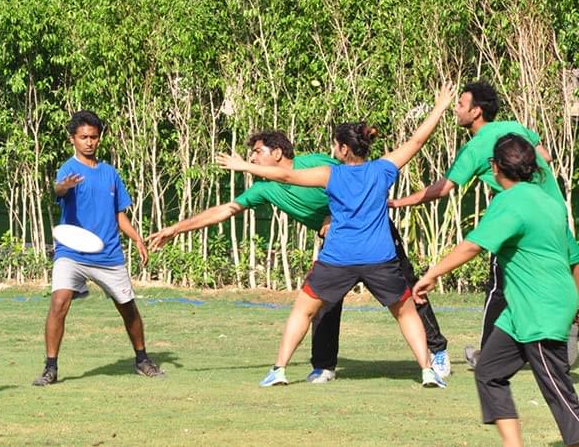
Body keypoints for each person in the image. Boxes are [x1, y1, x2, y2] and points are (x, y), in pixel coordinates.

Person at [146, 131, 451, 382]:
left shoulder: (316, 163)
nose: (252, 157)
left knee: (410, 295)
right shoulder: (265, 189)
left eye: (257, 151)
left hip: (375, 234)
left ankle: (436, 352)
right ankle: (324, 366)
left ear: (277, 153)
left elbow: (353, 181)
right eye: (251, 155)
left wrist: (332, 217)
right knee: (323, 304)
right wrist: (175, 229)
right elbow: (224, 211)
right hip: (338, 248)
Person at [217, 83, 455, 387]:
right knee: (406, 314)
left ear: (343, 149)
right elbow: (417, 140)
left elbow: (287, 175)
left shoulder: (332, 174)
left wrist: (243, 166)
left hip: (338, 258)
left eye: (335, 146)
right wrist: (439, 107)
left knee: (303, 311)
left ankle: (278, 370)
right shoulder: (383, 169)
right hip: (380, 257)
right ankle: (426, 371)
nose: (333, 151)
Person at [390, 80, 579, 367]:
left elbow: (443, 188)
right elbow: (546, 156)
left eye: (461, 105)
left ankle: (489, 353)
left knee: (498, 286)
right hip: (552, 211)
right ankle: (563, 332)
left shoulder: (477, 148)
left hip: (522, 218)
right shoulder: (515, 127)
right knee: (566, 266)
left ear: (476, 112)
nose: (456, 110)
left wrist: (403, 202)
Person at [413, 134, 579, 447]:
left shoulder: (510, 202)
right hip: (524, 310)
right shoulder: (548, 201)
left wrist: (432, 274)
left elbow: (473, 245)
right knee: (488, 371)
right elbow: (574, 257)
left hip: (540, 309)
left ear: (496, 167)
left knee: (558, 393)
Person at [33, 110, 163, 386]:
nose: (89, 142)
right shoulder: (68, 170)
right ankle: (50, 367)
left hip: (108, 254)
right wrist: (63, 187)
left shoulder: (110, 173)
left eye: (93, 137)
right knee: (59, 302)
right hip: (71, 253)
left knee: (128, 308)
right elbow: (58, 190)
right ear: (73, 140)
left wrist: (137, 238)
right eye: (83, 137)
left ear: (99, 139)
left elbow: (120, 215)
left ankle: (142, 359)